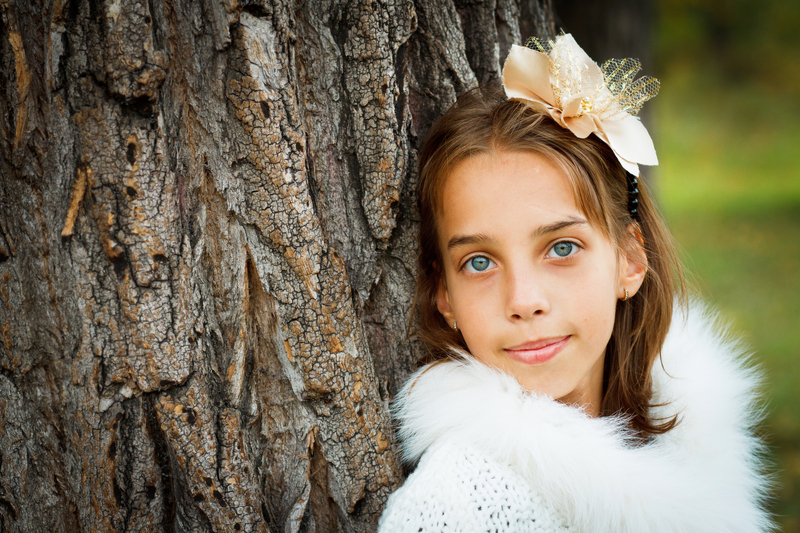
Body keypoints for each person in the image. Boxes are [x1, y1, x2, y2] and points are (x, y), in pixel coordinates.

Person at [378, 34, 772, 532]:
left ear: (630, 260)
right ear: (444, 296)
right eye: (479, 262)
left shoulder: (696, 445)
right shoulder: (455, 507)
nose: (524, 301)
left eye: (561, 248)